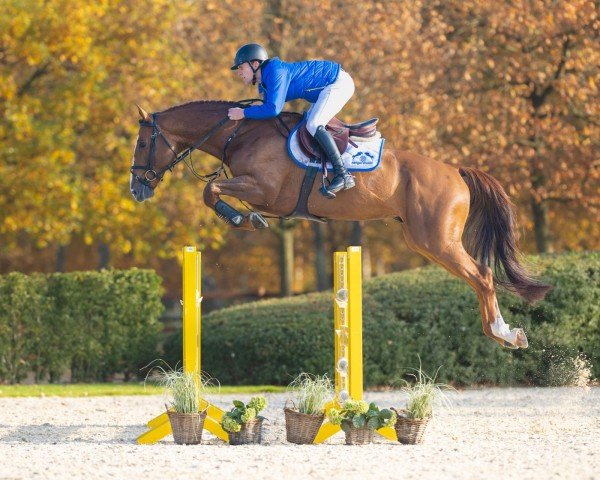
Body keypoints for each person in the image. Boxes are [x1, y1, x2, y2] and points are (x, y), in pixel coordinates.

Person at [228, 43, 356, 197]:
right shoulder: (265, 81)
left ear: (255, 64)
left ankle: (343, 174)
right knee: (308, 125)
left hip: (338, 83)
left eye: (241, 68)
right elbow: (263, 107)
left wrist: (243, 112)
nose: (239, 73)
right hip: (327, 87)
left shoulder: (276, 71)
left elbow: (273, 110)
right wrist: (247, 111)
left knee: (314, 124)